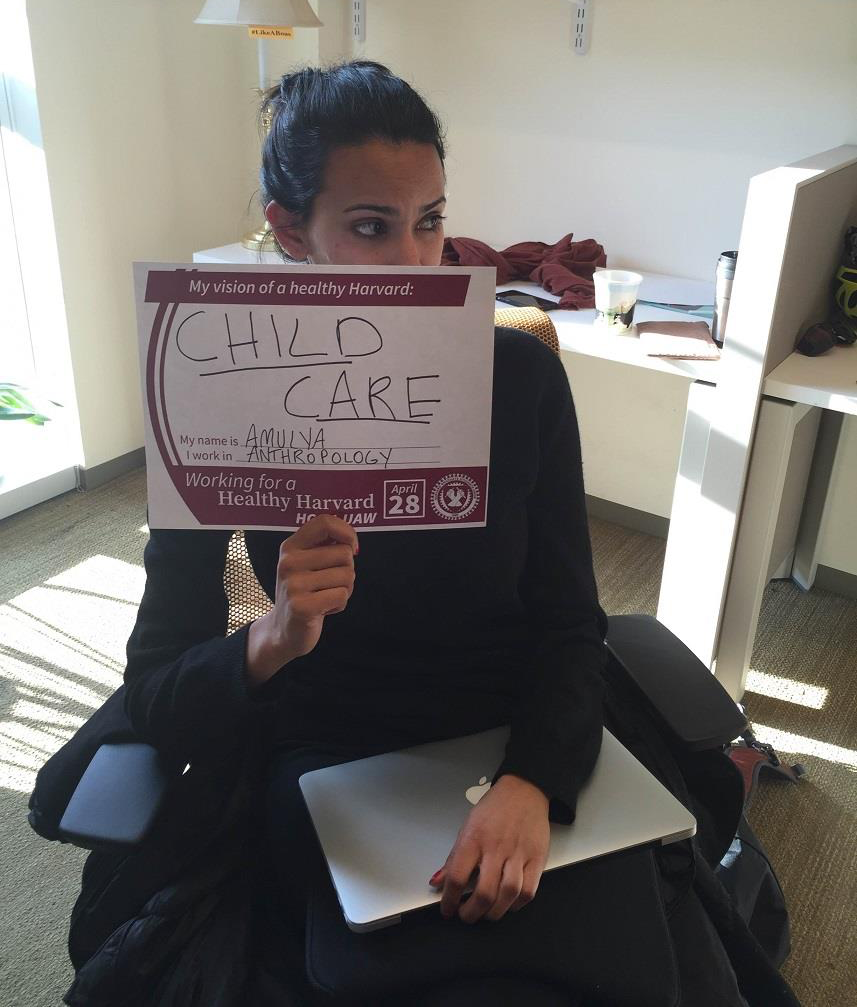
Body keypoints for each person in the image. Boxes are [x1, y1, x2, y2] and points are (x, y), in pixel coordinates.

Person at [59, 63, 800, 1007]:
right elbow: (156, 688)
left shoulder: (517, 381)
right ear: (291, 230)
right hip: (330, 762)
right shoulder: (208, 395)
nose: (417, 260)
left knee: (625, 973)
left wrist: (531, 785)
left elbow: (572, 624)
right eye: (371, 226)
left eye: (430, 220)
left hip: (516, 738)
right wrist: (271, 639)